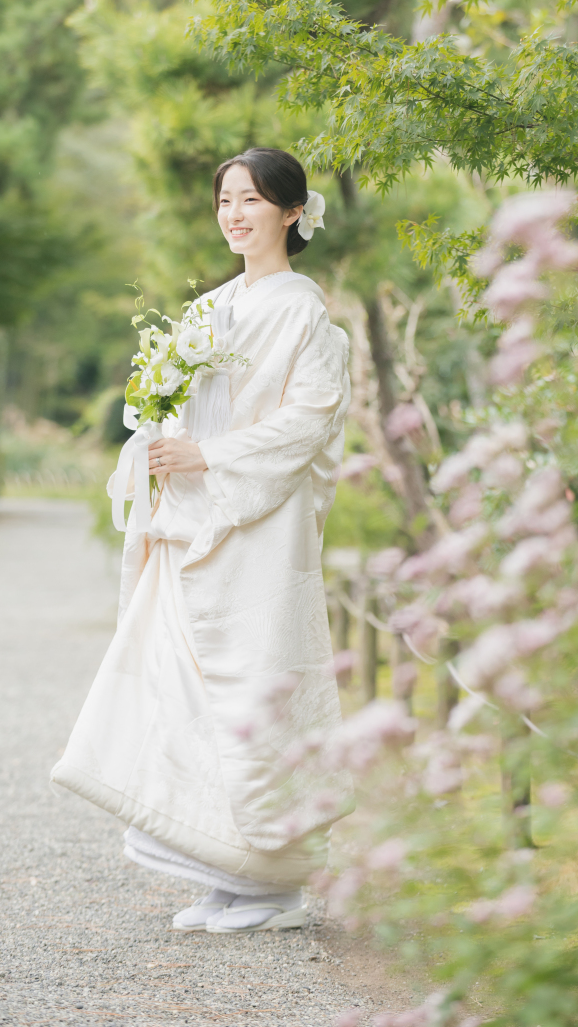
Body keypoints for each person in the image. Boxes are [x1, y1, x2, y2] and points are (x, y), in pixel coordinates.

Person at [51, 147, 353, 934]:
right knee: (180, 690)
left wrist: (211, 455)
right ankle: (222, 870)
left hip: (259, 530)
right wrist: (157, 447)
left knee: (255, 691)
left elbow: (307, 420)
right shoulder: (205, 311)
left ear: (292, 211)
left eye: (252, 200)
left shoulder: (305, 312)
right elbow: (171, 411)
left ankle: (276, 885)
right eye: (225, 200)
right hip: (191, 524)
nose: (235, 214)